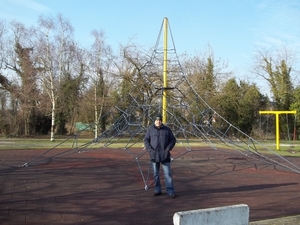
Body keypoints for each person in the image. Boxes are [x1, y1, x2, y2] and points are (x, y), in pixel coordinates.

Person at [144, 115, 176, 198]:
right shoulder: (150, 130)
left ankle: (170, 190)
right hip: (154, 155)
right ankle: (157, 189)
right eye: (156, 120)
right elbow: (146, 140)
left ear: (161, 121)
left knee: (167, 174)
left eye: (159, 120)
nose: (158, 121)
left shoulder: (167, 130)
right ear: (154, 121)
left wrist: (168, 148)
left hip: (165, 154)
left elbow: (173, 139)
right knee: (156, 174)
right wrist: (150, 149)